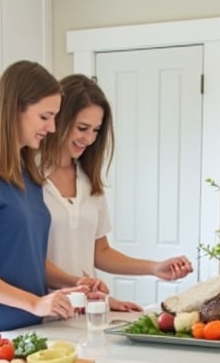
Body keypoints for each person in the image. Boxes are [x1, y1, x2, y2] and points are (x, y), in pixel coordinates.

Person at [39, 74, 194, 312]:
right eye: (82, 128)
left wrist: (154, 268)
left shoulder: (89, 180)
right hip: (41, 314)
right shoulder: (30, 176)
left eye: (96, 130)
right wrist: (82, 288)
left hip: (83, 314)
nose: (89, 139)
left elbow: (100, 252)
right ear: (57, 119)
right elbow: (26, 260)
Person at [0, 60, 83, 332]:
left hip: (30, 327)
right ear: (14, 110)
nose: (52, 128)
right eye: (44, 116)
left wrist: (72, 282)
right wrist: (35, 303)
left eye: (54, 118)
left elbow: (28, 256)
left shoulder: (28, 173)